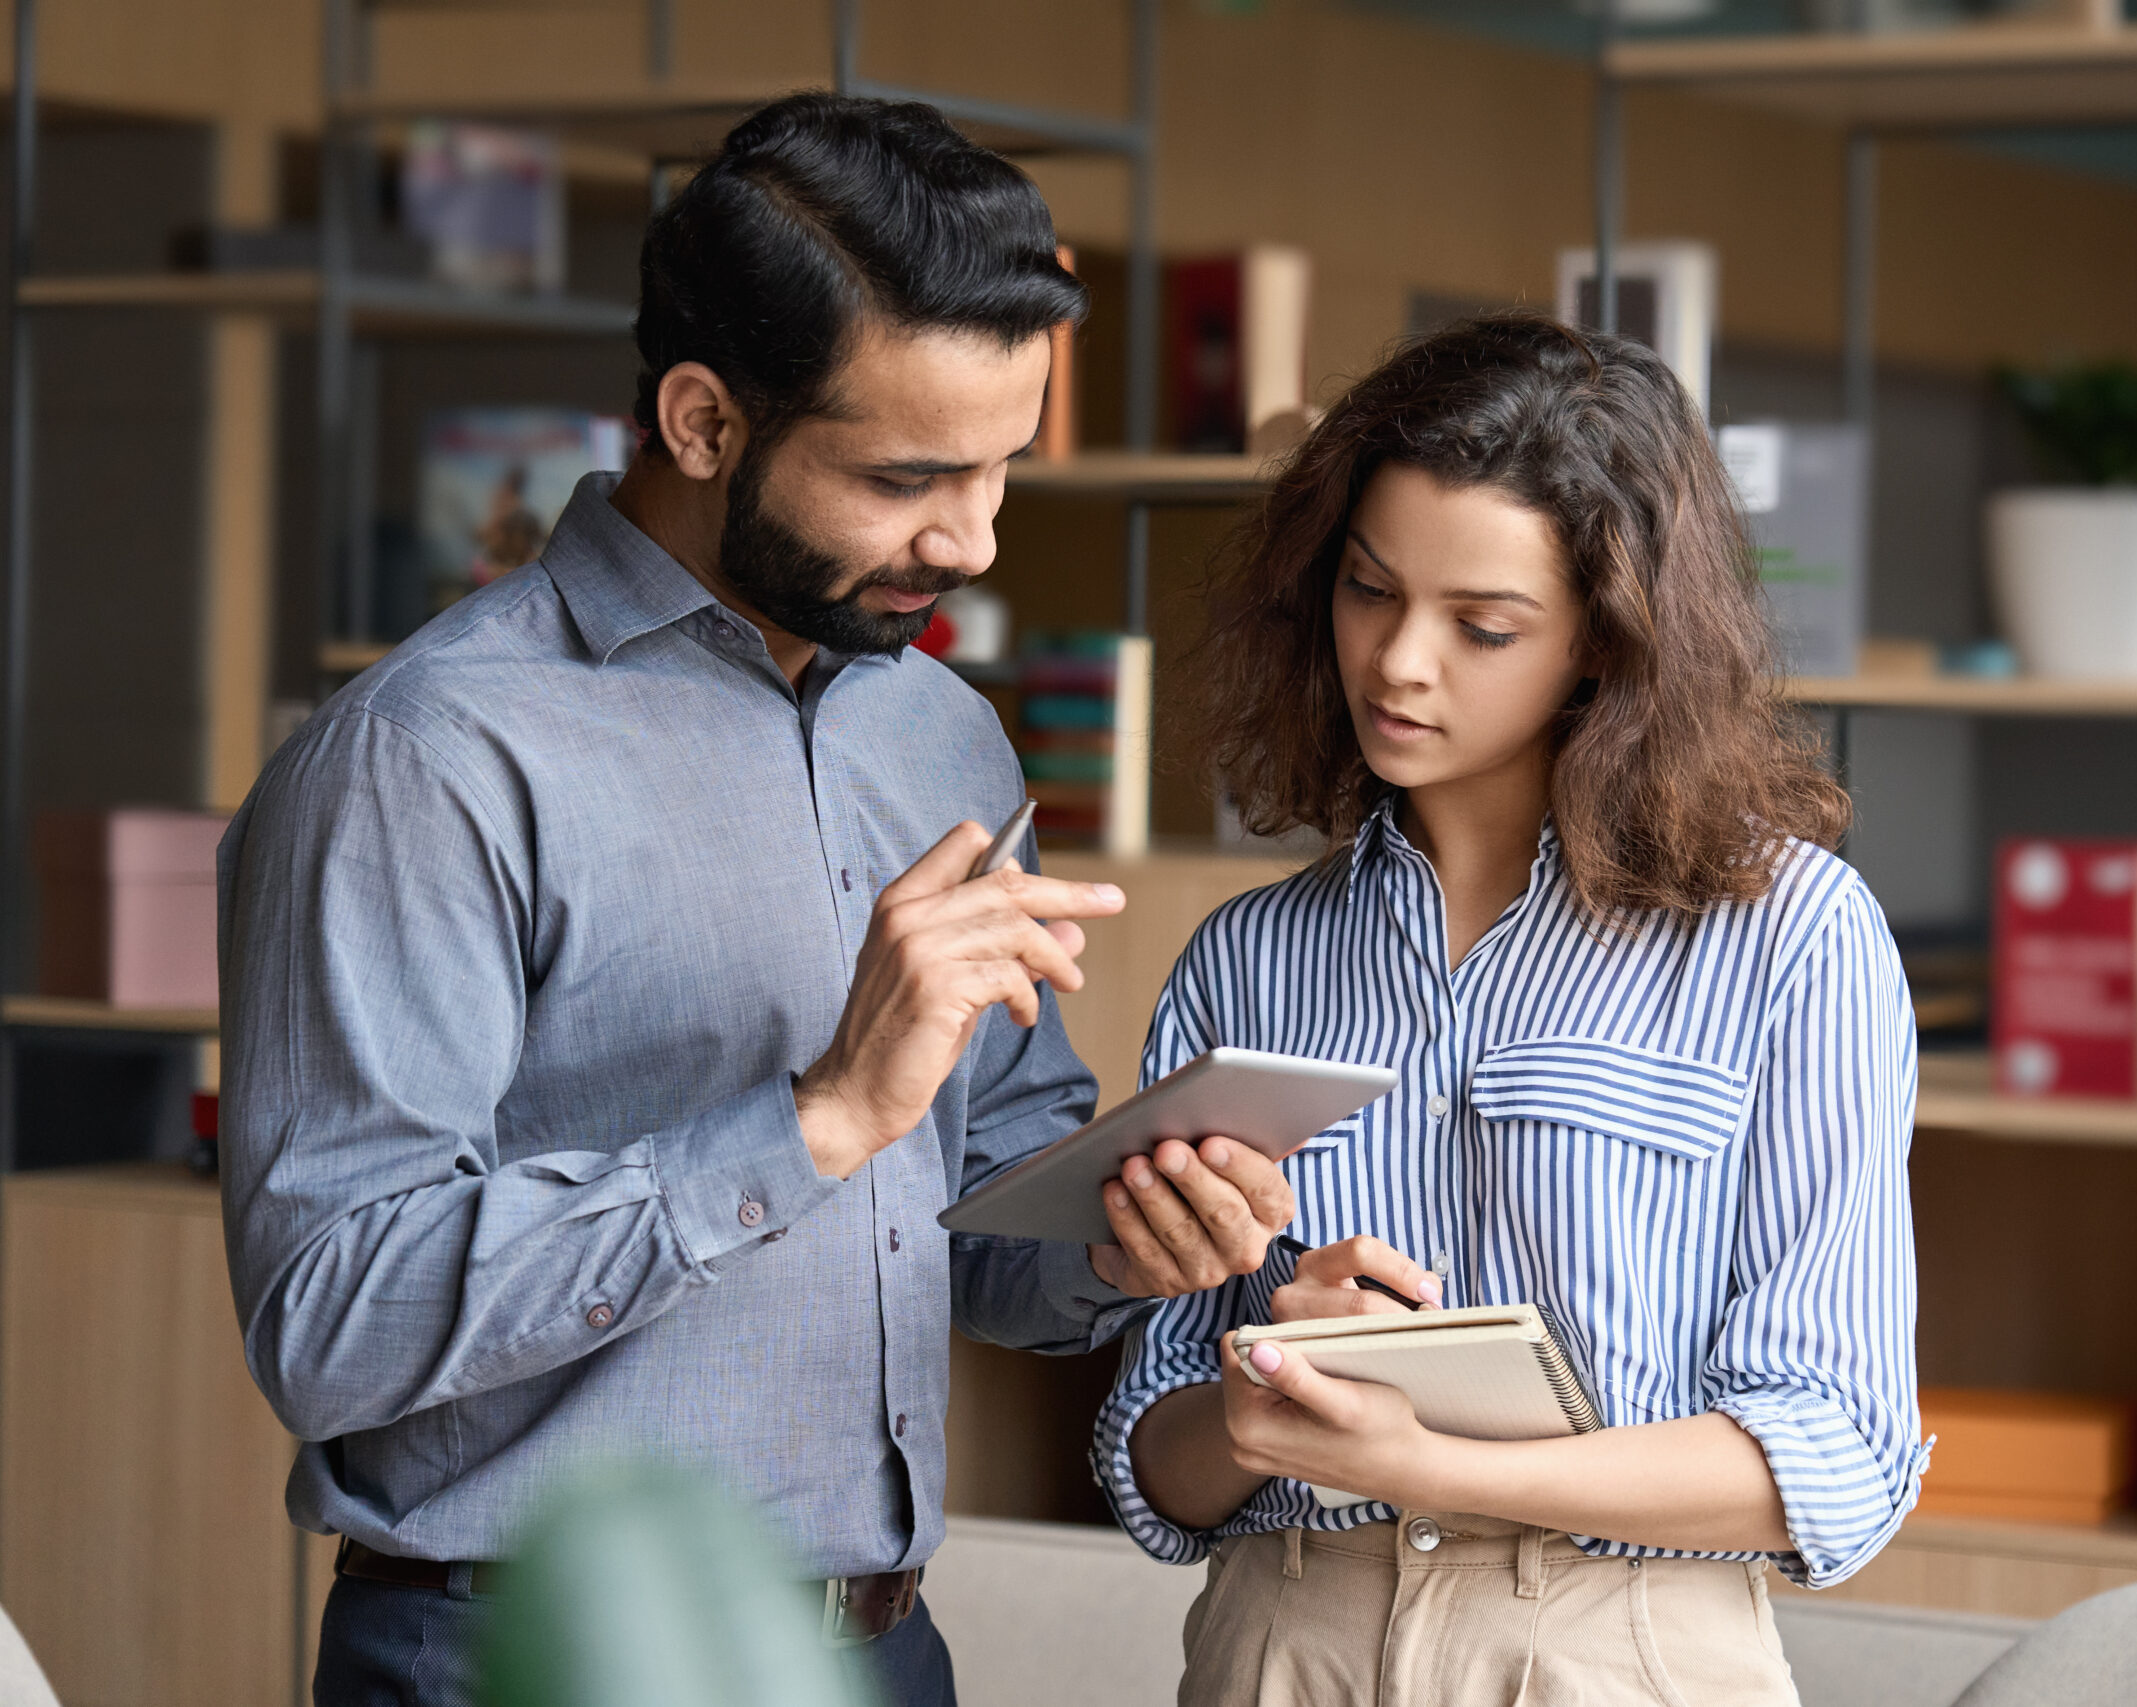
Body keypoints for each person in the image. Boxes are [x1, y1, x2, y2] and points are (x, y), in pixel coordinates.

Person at [218, 95, 1295, 1707]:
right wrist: (815, 1118)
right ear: (705, 421)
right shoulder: (427, 758)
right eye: (909, 476)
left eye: (1001, 468)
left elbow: (981, 1210)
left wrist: (1125, 1241)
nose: (975, 540)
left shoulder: (940, 729)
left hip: (885, 1646)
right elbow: (330, 1319)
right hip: (522, 1652)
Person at [1096, 316, 1926, 1705]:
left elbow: (1832, 1450)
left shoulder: (1795, 942)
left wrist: (1440, 1469)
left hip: (1621, 1654)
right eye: (1369, 591)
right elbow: (1155, 1459)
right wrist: (1256, 1406)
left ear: (1607, 643)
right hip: (1285, 1652)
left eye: (1484, 626)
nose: (1400, 662)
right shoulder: (1245, 961)